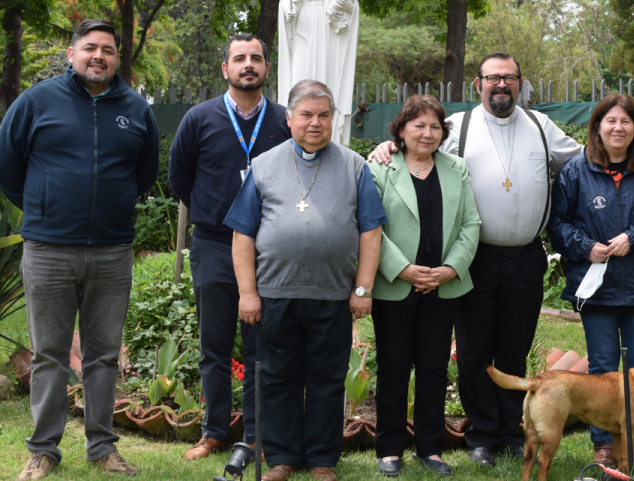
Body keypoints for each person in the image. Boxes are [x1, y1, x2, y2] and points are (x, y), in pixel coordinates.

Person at [368, 53, 634, 465]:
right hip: (476, 258)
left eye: (509, 78)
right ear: (478, 84)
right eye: (493, 78)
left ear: (521, 83)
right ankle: (482, 435)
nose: (501, 85)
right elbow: (416, 145)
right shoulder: (459, 127)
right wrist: (385, 146)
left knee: (514, 349)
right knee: (473, 351)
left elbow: (590, 154)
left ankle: (511, 431)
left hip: (526, 256)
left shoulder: (540, 126)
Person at [0, 19, 159, 480]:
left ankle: (102, 447)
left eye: (108, 50)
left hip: (112, 251)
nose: (99, 56)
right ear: (71, 54)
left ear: (116, 58)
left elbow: (143, 174)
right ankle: (43, 449)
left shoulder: (136, 108)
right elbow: (8, 165)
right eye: (90, 48)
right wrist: (43, 206)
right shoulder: (37, 101)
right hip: (49, 248)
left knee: (103, 354)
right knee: (50, 352)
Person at [224, 80, 387, 481]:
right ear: (290, 118)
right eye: (307, 114)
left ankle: (321, 461)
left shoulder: (354, 166)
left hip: (332, 296)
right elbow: (242, 234)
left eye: (324, 115)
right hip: (274, 295)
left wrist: (363, 288)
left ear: (333, 119)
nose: (315, 123)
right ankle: (281, 458)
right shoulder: (263, 165)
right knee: (277, 378)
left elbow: (371, 231)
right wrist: (247, 293)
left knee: (327, 381)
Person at [168, 34, 291, 461]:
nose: (248, 65)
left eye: (256, 58)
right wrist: (212, 208)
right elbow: (179, 177)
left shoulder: (284, 119)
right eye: (239, 59)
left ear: (266, 68)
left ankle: (255, 436)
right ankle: (214, 431)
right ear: (225, 69)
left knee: (263, 348)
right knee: (215, 346)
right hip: (215, 245)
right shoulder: (199, 118)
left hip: (270, 249)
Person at [548, 93, 634, 468]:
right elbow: (557, 223)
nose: (618, 128)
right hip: (596, 290)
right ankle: (603, 445)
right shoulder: (575, 171)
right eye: (611, 121)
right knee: (602, 369)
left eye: (626, 121)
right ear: (597, 127)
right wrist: (585, 246)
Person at [367, 96, 481, 477]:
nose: (427, 133)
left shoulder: (456, 168)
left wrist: (449, 269)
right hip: (396, 286)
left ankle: (430, 449)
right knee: (395, 367)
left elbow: (471, 224)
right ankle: (389, 449)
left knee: (434, 367)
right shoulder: (381, 167)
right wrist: (402, 269)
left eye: (434, 126)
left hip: (442, 287)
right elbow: (370, 227)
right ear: (401, 130)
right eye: (418, 125)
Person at [279, 0, 359, 146]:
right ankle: (299, 134)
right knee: (302, 80)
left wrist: (347, 5)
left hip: (331, 30)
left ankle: (331, 137)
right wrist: (288, 10)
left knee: (330, 80)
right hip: (304, 28)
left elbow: (351, 3)